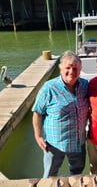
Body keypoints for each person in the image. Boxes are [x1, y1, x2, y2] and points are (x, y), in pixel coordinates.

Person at [32, 50, 89, 178]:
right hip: (54, 143)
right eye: (68, 68)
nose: (71, 72)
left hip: (77, 141)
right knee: (50, 174)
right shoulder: (49, 88)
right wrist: (38, 136)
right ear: (60, 68)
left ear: (80, 70)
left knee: (77, 174)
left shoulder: (85, 85)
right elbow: (37, 113)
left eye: (75, 68)